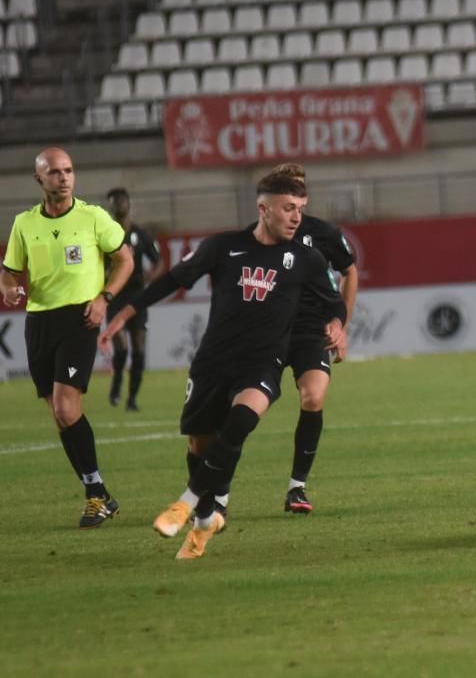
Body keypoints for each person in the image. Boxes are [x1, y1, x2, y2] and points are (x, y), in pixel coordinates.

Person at [99, 173, 347, 560]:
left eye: (300, 209)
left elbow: (334, 302)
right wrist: (124, 312)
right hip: (212, 364)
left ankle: (185, 502)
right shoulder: (223, 247)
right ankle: (204, 522)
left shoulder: (307, 259)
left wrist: (336, 324)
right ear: (263, 209)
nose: (296, 217)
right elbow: (171, 281)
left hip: (262, 364)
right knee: (200, 444)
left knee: (241, 422)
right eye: (287, 209)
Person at [1, 148, 134, 529]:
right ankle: (100, 494)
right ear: (38, 179)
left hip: (79, 318)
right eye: (55, 172)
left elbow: (125, 259)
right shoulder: (24, 224)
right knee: (60, 416)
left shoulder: (93, 218)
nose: (64, 177)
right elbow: (9, 272)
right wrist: (8, 289)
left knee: (64, 407)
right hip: (39, 322)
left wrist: (104, 298)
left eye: (69, 171)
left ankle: (95, 494)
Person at [266, 162, 359, 514]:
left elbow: (349, 271)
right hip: (270, 332)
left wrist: (341, 324)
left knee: (314, 397)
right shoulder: (260, 237)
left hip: (310, 331)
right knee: (246, 410)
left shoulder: (323, 233)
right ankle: (218, 491)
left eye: (299, 192)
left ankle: (297, 488)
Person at [104, 187, 164, 411]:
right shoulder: (104, 235)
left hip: (138, 295)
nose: (120, 203)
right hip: (114, 295)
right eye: (115, 201)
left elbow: (159, 261)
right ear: (109, 207)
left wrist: (151, 275)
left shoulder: (141, 234)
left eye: (122, 199)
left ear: (129, 203)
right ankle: (117, 380)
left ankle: (132, 399)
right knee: (121, 349)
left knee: (139, 349)